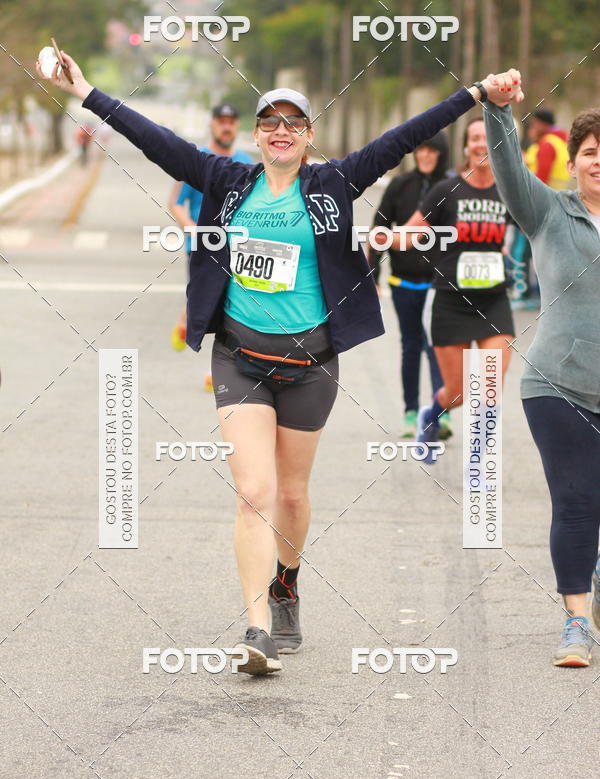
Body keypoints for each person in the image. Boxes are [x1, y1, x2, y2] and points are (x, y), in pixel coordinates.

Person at [38, 49, 519, 675]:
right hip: (240, 360)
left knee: (291, 494)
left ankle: (286, 582)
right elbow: (156, 141)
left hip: (311, 366)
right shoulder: (226, 180)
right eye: (271, 122)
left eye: (293, 122)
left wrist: (475, 92)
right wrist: (86, 91)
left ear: (308, 135)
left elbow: (406, 135)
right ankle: (257, 627)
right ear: (258, 135)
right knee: (253, 493)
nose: (281, 131)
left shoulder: (335, 182)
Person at [483, 69, 600, 667]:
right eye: (591, 152)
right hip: (558, 384)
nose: (599, 161)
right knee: (576, 502)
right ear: (572, 163)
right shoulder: (549, 212)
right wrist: (499, 110)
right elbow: (508, 169)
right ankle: (577, 623)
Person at [374, 117, 515, 464]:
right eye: (475, 138)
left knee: (490, 387)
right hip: (451, 303)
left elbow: (538, 227)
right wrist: (381, 238)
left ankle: (479, 463)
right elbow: (410, 233)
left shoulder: (510, 190)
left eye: (488, 137)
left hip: (494, 302)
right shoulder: (446, 191)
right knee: (457, 392)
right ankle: (432, 413)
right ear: (466, 146)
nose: (482, 144)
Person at [370, 133, 452, 439]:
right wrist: (373, 275)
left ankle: (440, 412)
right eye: (421, 150)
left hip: (439, 286)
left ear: (442, 154)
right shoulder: (400, 185)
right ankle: (411, 412)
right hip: (403, 283)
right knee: (411, 347)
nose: (425, 156)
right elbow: (379, 229)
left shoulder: (451, 187)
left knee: (437, 348)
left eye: (432, 151)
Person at [168, 104, 253, 355]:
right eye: (221, 121)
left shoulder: (247, 163)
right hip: (202, 247)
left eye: (231, 122)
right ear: (212, 125)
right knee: (205, 303)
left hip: (239, 248)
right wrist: (193, 230)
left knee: (235, 309)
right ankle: (186, 317)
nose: (226, 127)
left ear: (237, 126)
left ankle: (221, 367)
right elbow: (175, 203)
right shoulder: (197, 161)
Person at [511, 109, 571, 309]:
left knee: (523, 251)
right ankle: (543, 294)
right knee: (547, 252)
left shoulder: (547, 145)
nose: (533, 127)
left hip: (539, 206)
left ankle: (523, 294)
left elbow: (540, 179)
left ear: (543, 124)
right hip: (557, 203)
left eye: (535, 123)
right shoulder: (560, 142)